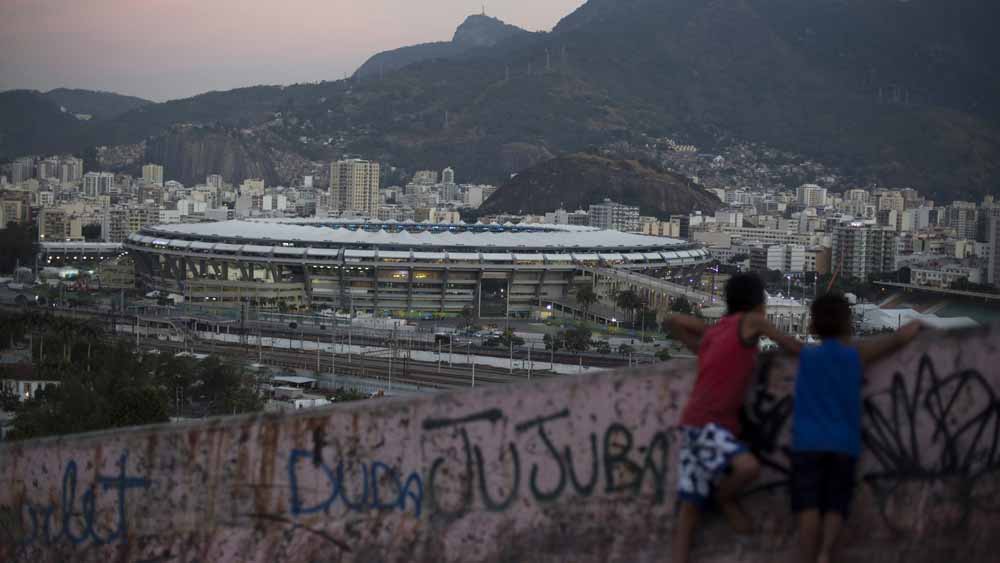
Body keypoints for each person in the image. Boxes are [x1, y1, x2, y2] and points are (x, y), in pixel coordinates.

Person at [668, 273, 803, 563]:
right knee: (747, 468)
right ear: (758, 302)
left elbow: (673, 320)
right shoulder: (751, 322)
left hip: (694, 421)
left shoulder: (717, 333)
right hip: (710, 425)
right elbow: (788, 344)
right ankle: (725, 498)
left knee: (688, 515)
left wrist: (706, 334)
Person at [791, 294, 922, 563]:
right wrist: (921, 324)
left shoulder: (805, 355)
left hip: (807, 442)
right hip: (843, 443)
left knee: (809, 505)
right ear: (847, 323)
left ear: (814, 326)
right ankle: (826, 552)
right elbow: (900, 337)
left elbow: (778, 341)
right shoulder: (856, 354)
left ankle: (807, 557)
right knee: (836, 504)